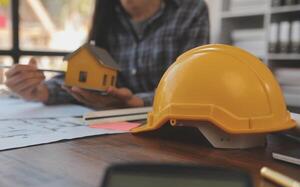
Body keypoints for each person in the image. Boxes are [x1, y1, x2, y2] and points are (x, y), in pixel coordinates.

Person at [5, 0, 209, 109]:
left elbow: (189, 88)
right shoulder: (107, 14)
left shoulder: (190, 10)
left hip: (170, 133)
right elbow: (84, 75)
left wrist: (135, 103)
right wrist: (40, 91)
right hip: (111, 131)